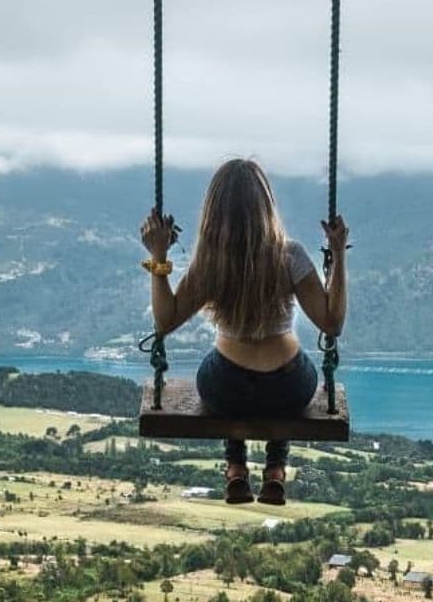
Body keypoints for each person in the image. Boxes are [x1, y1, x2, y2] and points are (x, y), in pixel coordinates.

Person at [140, 158, 348, 505]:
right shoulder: (290, 256)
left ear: (213, 211)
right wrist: (338, 256)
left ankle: (236, 468)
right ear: (266, 205)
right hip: (288, 390)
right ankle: (275, 471)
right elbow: (332, 323)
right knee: (292, 371)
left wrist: (158, 256)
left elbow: (166, 321)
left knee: (219, 366)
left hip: (226, 390)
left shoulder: (210, 263)